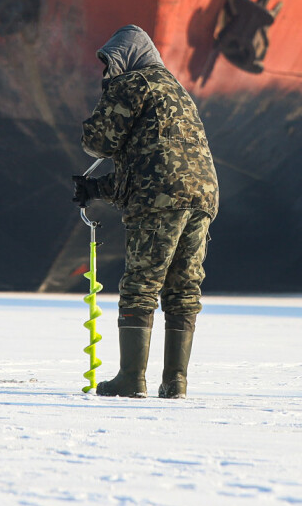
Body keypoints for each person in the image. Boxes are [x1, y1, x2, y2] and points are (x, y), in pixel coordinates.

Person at [72, 25, 219, 398]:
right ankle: (176, 382)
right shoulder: (178, 91)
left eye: (109, 64)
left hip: (161, 196)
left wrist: (108, 94)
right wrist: (96, 188)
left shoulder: (134, 83)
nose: (107, 72)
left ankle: (131, 378)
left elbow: (97, 141)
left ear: (124, 58)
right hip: (203, 196)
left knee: (140, 285)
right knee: (183, 289)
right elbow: (153, 165)